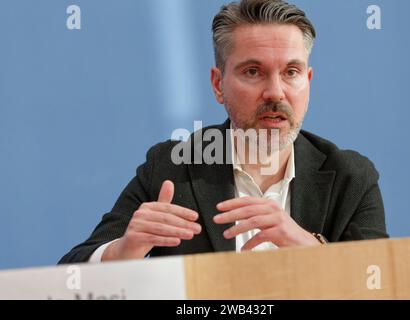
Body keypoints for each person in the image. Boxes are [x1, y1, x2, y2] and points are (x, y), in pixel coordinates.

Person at [59, 0, 388, 264]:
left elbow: (384, 284)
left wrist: (309, 248)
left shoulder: (351, 176)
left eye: (291, 72)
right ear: (219, 85)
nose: (275, 92)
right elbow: (69, 274)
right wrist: (125, 250)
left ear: (308, 81)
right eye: (253, 71)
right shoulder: (173, 167)